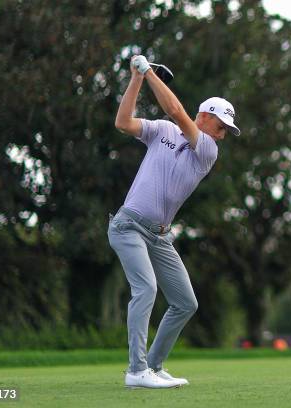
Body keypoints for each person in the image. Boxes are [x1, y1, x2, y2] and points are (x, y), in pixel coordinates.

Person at [109, 55, 240, 389]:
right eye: (222, 126)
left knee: (185, 302)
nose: (223, 135)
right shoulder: (162, 131)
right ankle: (136, 371)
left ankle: (153, 365)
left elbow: (177, 113)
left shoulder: (207, 149)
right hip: (128, 227)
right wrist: (138, 78)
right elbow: (124, 122)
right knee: (147, 289)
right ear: (207, 116)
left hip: (159, 237)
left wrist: (148, 71)